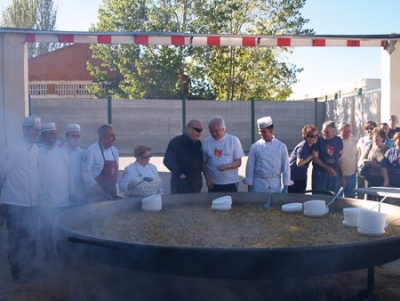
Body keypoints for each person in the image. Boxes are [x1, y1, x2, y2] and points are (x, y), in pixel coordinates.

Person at [0, 116, 45, 283]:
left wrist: (39, 197)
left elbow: (35, 176)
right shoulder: (14, 149)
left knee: (31, 236)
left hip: (32, 203)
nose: (37, 133)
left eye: (39, 130)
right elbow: (1, 172)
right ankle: (17, 272)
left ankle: (30, 268)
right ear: (25, 130)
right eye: (35, 130)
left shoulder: (35, 149)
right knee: (16, 239)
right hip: (15, 203)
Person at [37, 122, 71, 265]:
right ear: (43, 135)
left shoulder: (63, 153)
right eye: (51, 133)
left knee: (63, 231)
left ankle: (63, 258)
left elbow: (69, 176)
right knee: (46, 232)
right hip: (45, 200)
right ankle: (50, 258)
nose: (54, 136)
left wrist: (71, 192)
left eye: (55, 133)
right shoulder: (37, 153)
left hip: (63, 199)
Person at [244, 116, 293, 193]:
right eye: (260, 131)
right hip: (258, 184)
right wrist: (250, 187)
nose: (261, 134)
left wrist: (286, 187)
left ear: (271, 130)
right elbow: (250, 168)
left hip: (275, 184)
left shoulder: (281, 147)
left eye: (264, 132)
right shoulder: (255, 147)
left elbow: (286, 168)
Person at [202, 116, 244, 192]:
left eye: (216, 130)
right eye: (211, 131)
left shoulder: (233, 140)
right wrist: (207, 178)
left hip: (230, 182)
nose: (214, 133)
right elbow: (203, 163)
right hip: (213, 182)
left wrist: (228, 166)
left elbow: (238, 162)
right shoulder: (206, 142)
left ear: (223, 129)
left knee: (231, 203)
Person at [163, 120, 204, 194]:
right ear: (189, 128)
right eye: (197, 130)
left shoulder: (198, 144)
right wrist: (179, 173)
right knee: (179, 204)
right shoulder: (177, 142)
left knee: (195, 204)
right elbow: (167, 160)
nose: (199, 133)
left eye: (201, 130)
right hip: (180, 183)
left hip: (195, 184)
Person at [82, 124, 119, 201]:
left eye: (115, 135)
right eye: (111, 136)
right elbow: (86, 172)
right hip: (96, 195)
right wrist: (94, 185)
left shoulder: (114, 151)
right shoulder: (92, 150)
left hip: (112, 192)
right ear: (103, 137)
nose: (115, 139)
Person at [312, 120, 344, 194]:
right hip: (321, 173)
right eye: (323, 131)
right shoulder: (318, 139)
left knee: (333, 197)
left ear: (333, 131)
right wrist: (327, 168)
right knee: (319, 197)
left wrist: (342, 175)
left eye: (327, 132)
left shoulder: (338, 140)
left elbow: (340, 159)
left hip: (335, 173)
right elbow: (315, 158)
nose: (324, 134)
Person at [288, 124, 318, 193]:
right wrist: (311, 156)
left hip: (301, 176)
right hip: (294, 177)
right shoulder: (303, 147)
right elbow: (299, 163)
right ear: (306, 137)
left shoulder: (311, 146)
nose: (315, 137)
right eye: (312, 136)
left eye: (316, 135)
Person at [62, 123, 86, 206]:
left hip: (79, 193)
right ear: (66, 137)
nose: (76, 139)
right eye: (73, 136)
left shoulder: (83, 153)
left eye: (78, 136)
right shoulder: (59, 152)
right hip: (62, 193)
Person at [356, 121, 377, 197]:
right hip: (362, 167)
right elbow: (358, 154)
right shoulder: (362, 140)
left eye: (371, 128)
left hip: (372, 168)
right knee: (360, 188)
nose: (369, 130)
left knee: (370, 190)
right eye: (367, 129)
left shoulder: (376, 141)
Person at [338, 122, 357, 197]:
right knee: (339, 198)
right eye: (345, 131)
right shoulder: (337, 141)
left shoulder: (353, 138)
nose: (347, 133)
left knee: (351, 198)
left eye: (349, 131)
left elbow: (356, 154)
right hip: (341, 175)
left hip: (352, 174)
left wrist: (356, 167)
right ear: (339, 131)